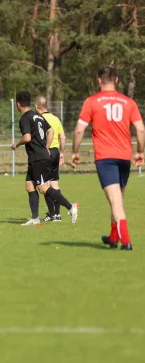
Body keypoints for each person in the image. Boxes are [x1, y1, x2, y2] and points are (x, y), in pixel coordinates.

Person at [72, 66, 145, 250]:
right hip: (124, 156)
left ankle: (126, 240)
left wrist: (75, 152)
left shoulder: (92, 101)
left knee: (115, 200)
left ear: (99, 81)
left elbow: (80, 129)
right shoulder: (128, 102)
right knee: (117, 198)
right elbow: (141, 129)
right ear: (117, 80)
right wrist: (140, 151)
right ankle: (113, 237)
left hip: (106, 157)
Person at [11, 91, 78, 226]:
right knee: (30, 185)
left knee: (43, 188)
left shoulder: (25, 118)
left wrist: (16, 144)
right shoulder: (38, 116)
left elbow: (27, 137)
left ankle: (70, 207)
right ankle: (35, 218)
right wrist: (46, 147)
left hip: (37, 158)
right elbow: (51, 131)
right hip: (38, 156)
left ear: (18, 104)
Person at [34, 95, 66, 222]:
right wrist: (62, 152)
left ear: (37, 106)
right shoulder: (55, 118)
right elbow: (62, 137)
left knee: (45, 185)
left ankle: (52, 214)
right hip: (56, 152)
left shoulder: (38, 119)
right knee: (54, 183)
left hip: (45, 153)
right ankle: (57, 214)